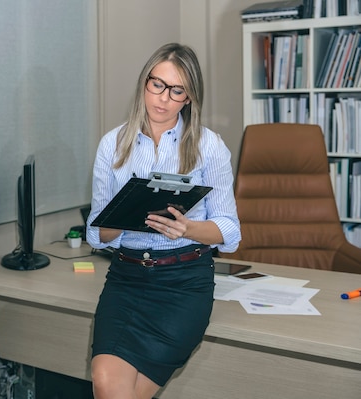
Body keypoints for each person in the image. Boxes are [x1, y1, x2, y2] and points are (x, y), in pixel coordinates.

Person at [86, 42, 241, 399]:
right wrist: (125, 215)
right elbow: (96, 232)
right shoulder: (113, 144)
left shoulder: (208, 145)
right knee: (106, 381)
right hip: (126, 280)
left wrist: (188, 228)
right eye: (157, 84)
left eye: (177, 91)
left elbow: (229, 230)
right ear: (145, 83)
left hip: (182, 285)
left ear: (188, 98)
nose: (163, 98)